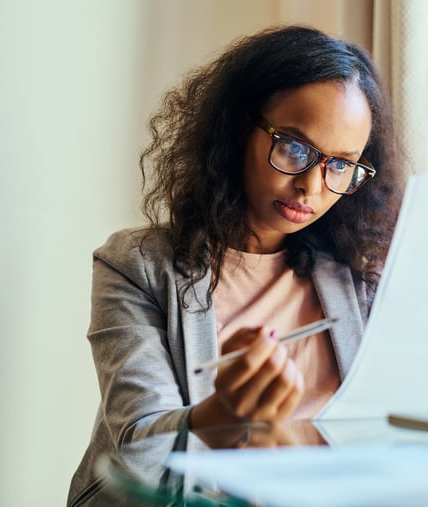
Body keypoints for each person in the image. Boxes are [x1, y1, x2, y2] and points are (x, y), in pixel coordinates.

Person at [68, 25, 405, 505]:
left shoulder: (358, 275)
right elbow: (142, 454)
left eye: (340, 164)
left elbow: (419, 413)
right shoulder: (137, 268)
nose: (311, 186)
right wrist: (223, 414)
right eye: (293, 147)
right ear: (238, 129)